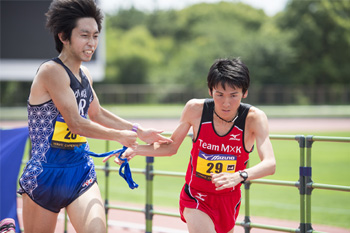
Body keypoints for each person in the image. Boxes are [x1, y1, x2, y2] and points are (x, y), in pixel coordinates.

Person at [17, 0, 172, 233]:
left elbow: (96, 113)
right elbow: (76, 123)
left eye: (95, 36)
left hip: (80, 171)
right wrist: (120, 136)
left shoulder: (85, 73)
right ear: (63, 36)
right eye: (84, 35)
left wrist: (138, 131)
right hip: (45, 174)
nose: (91, 43)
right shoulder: (51, 71)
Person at [105, 58, 276, 233]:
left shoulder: (254, 118)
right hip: (196, 196)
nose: (226, 103)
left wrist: (239, 175)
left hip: (228, 199)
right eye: (219, 94)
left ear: (244, 93)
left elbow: (270, 164)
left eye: (234, 95)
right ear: (210, 90)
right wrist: (137, 149)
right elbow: (171, 147)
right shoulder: (195, 109)